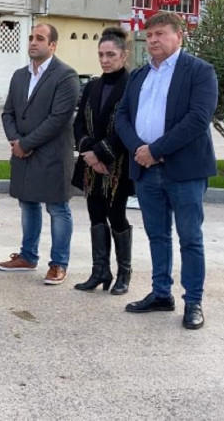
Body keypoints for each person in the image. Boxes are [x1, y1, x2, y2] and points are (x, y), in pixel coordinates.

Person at [115, 11, 218, 330]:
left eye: (160, 33)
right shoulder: (139, 75)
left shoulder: (199, 71)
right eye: (150, 34)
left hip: (184, 170)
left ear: (179, 36)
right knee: (157, 235)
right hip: (146, 171)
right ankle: (161, 294)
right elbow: (122, 117)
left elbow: (198, 119)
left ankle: (193, 302)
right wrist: (139, 150)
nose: (153, 39)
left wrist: (156, 150)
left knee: (190, 237)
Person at [0, 23, 80, 285]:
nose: (33, 42)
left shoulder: (66, 76)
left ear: (53, 45)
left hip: (53, 155)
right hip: (23, 154)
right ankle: (27, 256)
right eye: (31, 37)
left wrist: (27, 143)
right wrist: (15, 141)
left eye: (40, 38)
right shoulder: (20, 75)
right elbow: (8, 112)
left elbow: (58, 118)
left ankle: (58, 263)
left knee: (58, 208)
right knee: (27, 203)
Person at [72, 27, 135, 295]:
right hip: (91, 166)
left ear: (124, 55)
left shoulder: (133, 85)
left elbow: (129, 125)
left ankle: (124, 273)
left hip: (118, 165)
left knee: (116, 215)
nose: (105, 59)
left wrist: (101, 154)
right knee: (95, 215)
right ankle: (100, 271)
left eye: (111, 54)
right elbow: (78, 124)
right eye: (101, 54)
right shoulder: (93, 86)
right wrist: (88, 151)